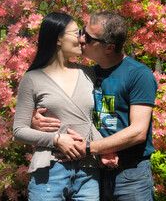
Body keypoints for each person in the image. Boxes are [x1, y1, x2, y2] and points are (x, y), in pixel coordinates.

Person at [32, 11, 158, 201]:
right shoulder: (89, 73)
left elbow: (138, 132)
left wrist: (89, 147)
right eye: (82, 32)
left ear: (109, 48)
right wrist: (37, 120)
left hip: (130, 175)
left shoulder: (139, 75)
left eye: (89, 38)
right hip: (94, 172)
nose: (81, 39)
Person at [13, 12, 117, 201]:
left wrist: (105, 149)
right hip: (49, 171)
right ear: (58, 39)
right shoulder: (32, 79)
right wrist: (57, 139)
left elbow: (90, 121)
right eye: (77, 33)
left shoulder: (89, 74)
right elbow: (19, 131)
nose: (82, 39)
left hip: (88, 174)